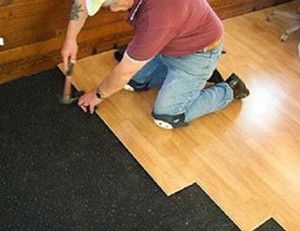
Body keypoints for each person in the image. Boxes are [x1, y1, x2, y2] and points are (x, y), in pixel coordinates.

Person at [61, 0, 250, 130]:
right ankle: (197, 78)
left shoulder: (157, 17)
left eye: (114, 4)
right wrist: (70, 40)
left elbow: (124, 72)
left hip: (198, 53)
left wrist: (98, 94)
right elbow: (82, 3)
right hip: (169, 43)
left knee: (166, 117)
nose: (112, 10)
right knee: (132, 82)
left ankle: (228, 89)